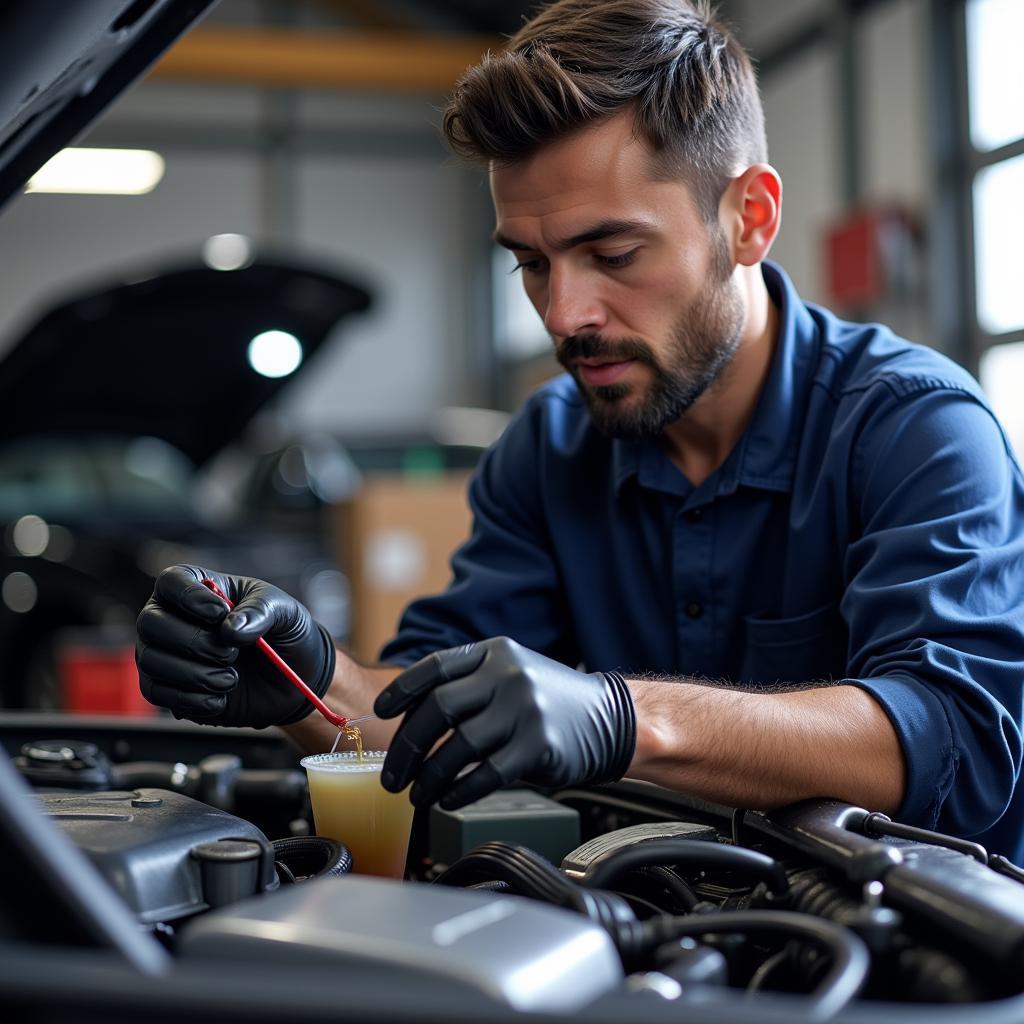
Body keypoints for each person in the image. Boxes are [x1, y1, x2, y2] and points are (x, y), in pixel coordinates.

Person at [136, 0, 1024, 860]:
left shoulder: (915, 428)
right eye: (531, 262)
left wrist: (624, 720)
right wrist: (305, 679)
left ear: (748, 218)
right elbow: (418, 726)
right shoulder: (549, 448)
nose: (564, 314)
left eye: (613, 254)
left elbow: (958, 740)